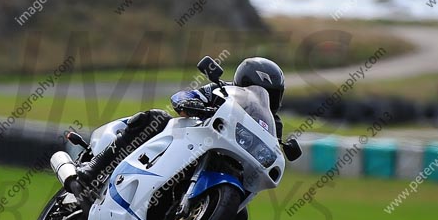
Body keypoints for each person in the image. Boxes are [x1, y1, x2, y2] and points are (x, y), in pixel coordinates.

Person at [75, 57, 297, 187]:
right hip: (190, 139)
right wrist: (190, 105)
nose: (266, 97)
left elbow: (273, 145)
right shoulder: (221, 90)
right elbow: (184, 97)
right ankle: (96, 168)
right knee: (155, 118)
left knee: (239, 217)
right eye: (263, 90)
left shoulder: (273, 123)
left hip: (231, 159)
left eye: (273, 93)